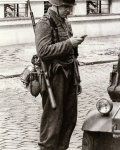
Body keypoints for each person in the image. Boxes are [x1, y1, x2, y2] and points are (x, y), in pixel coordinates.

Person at [34, 0, 85, 149]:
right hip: (54, 77)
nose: (69, 10)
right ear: (55, 6)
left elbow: (72, 56)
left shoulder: (65, 23)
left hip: (69, 76)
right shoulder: (45, 23)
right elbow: (43, 51)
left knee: (69, 119)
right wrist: (70, 43)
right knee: (53, 121)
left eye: (70, 7)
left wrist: (77, 80)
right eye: (66, 7)